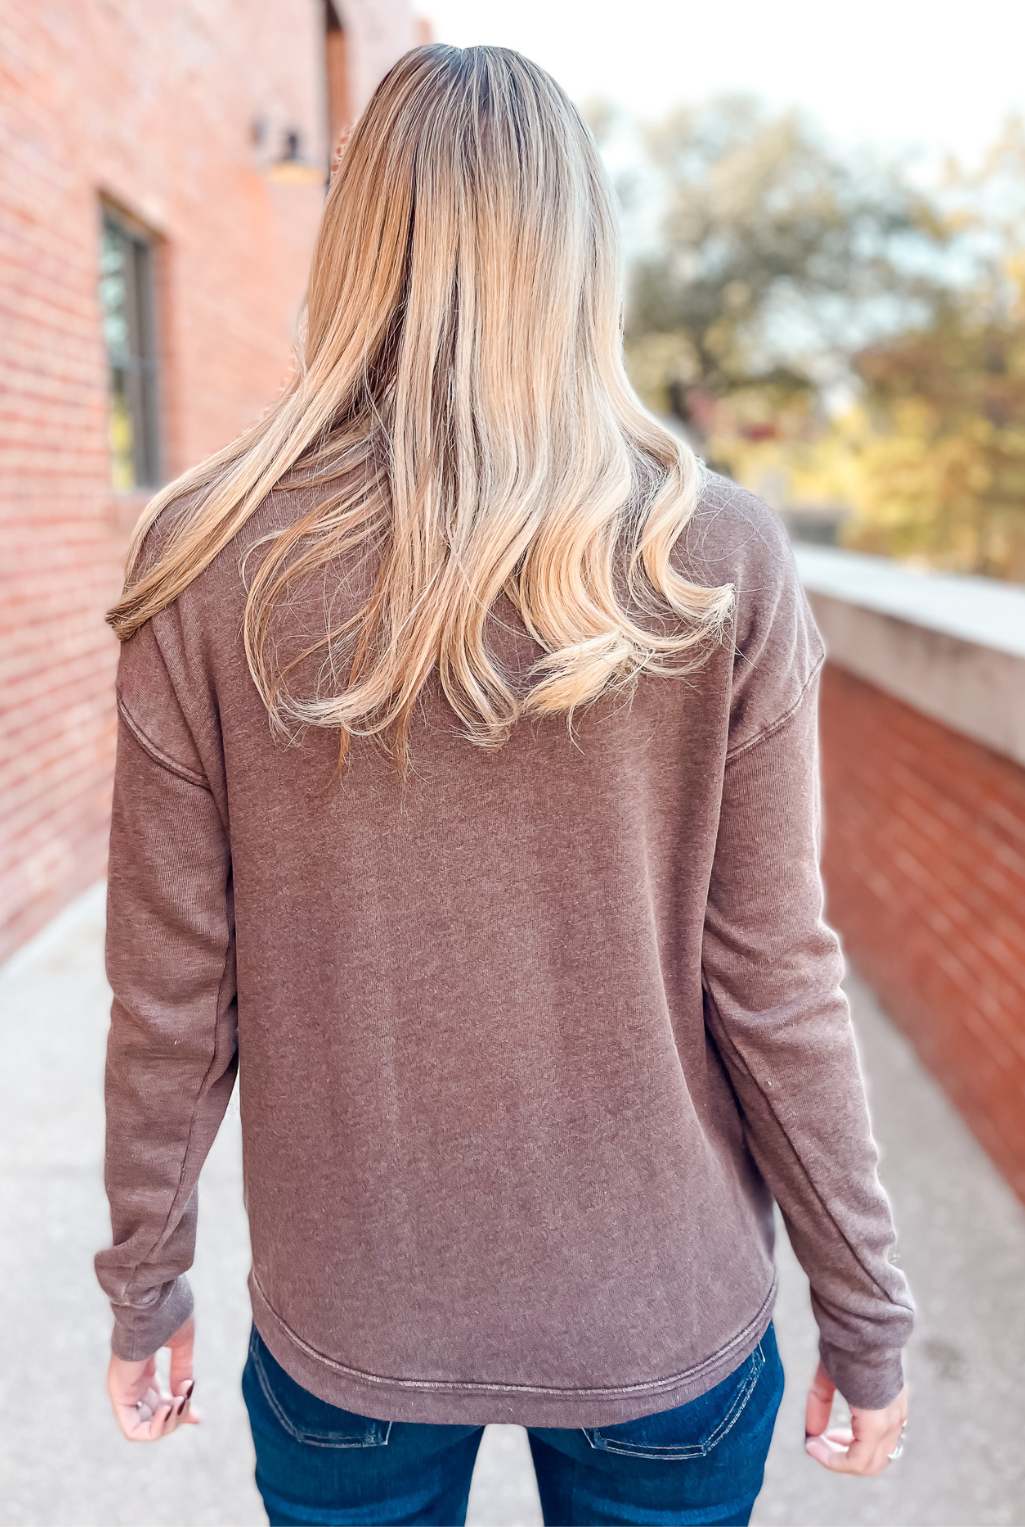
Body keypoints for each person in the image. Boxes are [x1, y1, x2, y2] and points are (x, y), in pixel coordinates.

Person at [96, 43, 912, 1527]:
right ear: (580, 254)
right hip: (657, 1314)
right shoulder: (709, 557)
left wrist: (145, 1279)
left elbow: (169, 989)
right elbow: (777, 978)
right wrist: (866, 1304)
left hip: (355, 1319)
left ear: (357, 254)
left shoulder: (204, 563)